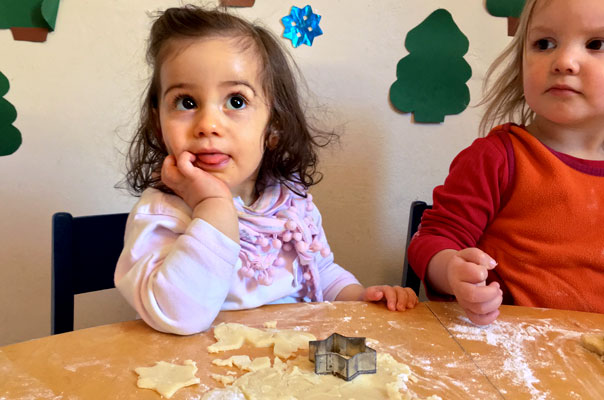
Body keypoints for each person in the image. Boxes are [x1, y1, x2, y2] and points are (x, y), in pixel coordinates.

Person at [115, 5, 417, 335]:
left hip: (286, 374)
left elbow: (318, 271)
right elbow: (178, 315)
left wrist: (357, 296)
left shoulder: (289, 201)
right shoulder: (161, 215)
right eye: (186, 102)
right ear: (158, 124)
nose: (208, 124)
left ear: (274, 126)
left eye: (236, 101)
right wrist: (213, 207)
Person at [407, 0, 604, 326]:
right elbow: (430, 240)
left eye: (596, 44)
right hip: (505, 353)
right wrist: (453, 270)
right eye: (544, 44)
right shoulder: (497, 158)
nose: (564, 61)